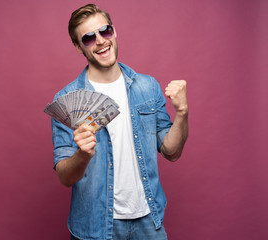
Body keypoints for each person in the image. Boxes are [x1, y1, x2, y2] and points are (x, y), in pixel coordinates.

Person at [50, 4, 188, 240]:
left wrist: (182, 113)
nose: (101, 41)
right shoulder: (66, 100)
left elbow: (171, 152)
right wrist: (82, 154)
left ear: (114, 31)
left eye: (105, 31)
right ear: (78, 46)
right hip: (95, 225)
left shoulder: (147, 86)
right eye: (88, 38)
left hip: (149, 221)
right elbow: (65, 177)